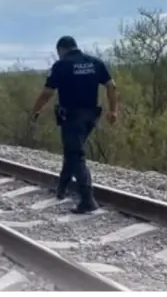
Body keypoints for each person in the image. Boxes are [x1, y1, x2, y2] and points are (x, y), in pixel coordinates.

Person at [30, 36, 118, 214]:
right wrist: (114, 110)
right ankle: (61, 188)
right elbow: (112, 86)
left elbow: (47, 92)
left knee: (76, 155)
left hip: (72, 117)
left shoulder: (62, 65)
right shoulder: (95, 62)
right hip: (91, 117)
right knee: (72, 150)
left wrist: (35, 111)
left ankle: (87, 200)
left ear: (61, 50)